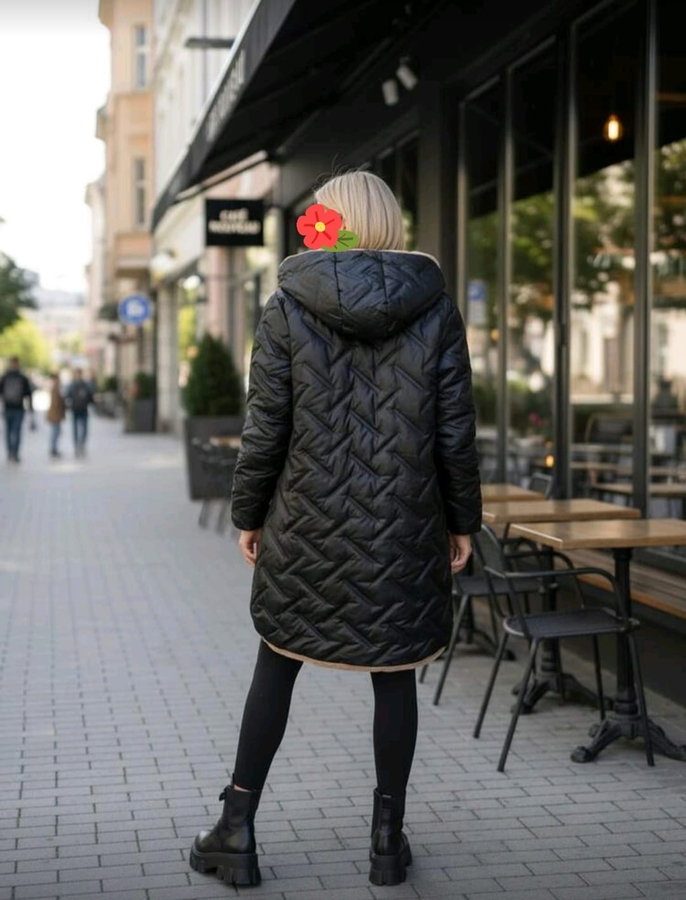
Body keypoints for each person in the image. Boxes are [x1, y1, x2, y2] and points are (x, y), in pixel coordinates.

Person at [189, 171, 482, 889]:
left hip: (306, 526)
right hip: (402, 527)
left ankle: (236, 829)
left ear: (330, 223)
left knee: (277, 662)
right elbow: (454, 432)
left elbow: (266, 428)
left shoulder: (288, 306)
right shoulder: (436, 309)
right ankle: (387, 842)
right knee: (395, 674)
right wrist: (462, 520)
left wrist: (249, 513)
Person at [0, 356, 33, 462]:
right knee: (16, 432)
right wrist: (31, 408)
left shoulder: (5, 376)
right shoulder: (22, 377)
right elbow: (29, 394)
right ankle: (14, 453)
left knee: (9, 432)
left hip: (8, 408)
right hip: (18, 408)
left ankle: (10, 452)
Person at [66, 368, 93, 457]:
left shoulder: (85, 384)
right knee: (76, 429)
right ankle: (77, 445)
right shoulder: (72, 385)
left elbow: (90, 396)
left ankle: (82, 444)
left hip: (83, 409)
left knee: (84, 429)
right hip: (75, 409)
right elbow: (67, 396)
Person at [46, 373, 66, 458]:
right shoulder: (55, 389)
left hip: (56, 414)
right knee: (55, 432)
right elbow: (56, 403)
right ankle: (53, 449)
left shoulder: (56, 388)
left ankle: (54, 448)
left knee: (56, 432)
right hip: (55, 414)